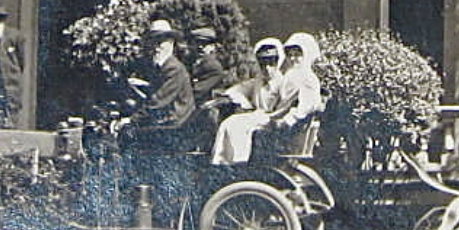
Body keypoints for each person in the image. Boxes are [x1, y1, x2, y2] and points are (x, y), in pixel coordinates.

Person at [210, 37, 286, 166]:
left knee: (237, 125)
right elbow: (241, 88)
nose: (267, 69)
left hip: (272, 120)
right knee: (229, 123)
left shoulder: (283, 83)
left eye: (271, 63)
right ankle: (223, 160)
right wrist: (226, 96)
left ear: (278, 62)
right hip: (257, 116)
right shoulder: (258, 81)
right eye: (263, 64)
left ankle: (240, 160)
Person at [123, 19, 196, 149]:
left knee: (128, 135)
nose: (156, 48)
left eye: (161, 42)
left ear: (171, 43)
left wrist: (131, 120)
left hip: (174, 125)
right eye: (153, 42)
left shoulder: (173, 68)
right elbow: (160, 90)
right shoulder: (164, 66)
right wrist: (143, 85)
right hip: (168, 121)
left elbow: (157, 101)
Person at [260, 32, 325, 159]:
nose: (292, 59)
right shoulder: (290, 75)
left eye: (297, 55)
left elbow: (306, 106)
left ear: (307, 55)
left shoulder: (308, 78)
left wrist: (287, 120)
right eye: (289, 55)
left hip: (290, 130)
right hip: (278, 119)